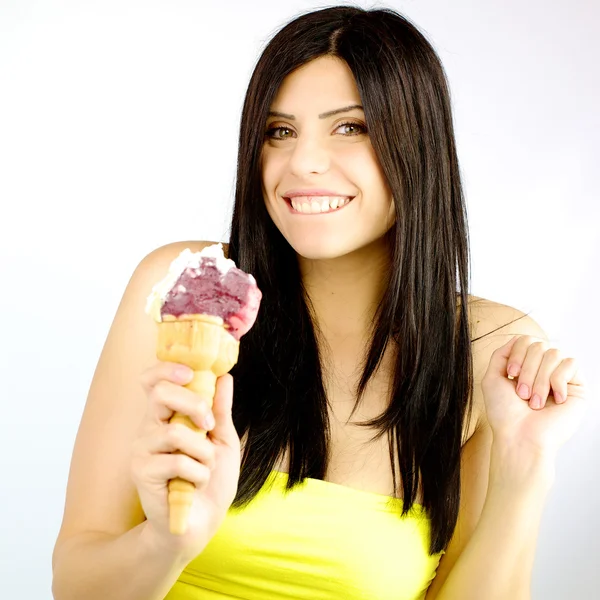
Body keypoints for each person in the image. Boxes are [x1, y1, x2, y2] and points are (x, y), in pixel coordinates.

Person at [51, 6, 587, 600]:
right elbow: (77, 583)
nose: (301, 162)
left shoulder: (489, 350)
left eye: (350, 127)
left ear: (418, 146)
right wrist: (167, 543)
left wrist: (524, 466)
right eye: (279, 132)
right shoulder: (185, 286)